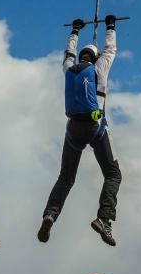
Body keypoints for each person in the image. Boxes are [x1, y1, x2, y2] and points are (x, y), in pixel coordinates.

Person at [38, 14, 122, 246]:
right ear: (94, 58)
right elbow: (110, 50)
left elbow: (67, 55)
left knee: (65, 177)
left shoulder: (69, 70)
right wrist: (110, 26)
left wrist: (74, 31)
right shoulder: (99, 69)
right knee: (113, 174)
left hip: (72, 129)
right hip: (96, 126)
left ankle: (50, 216)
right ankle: (104, 218)